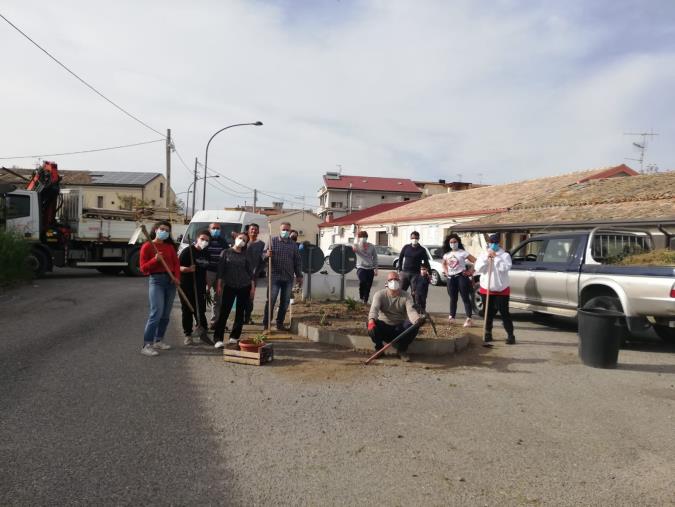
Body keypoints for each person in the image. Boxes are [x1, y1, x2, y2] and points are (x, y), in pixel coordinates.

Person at [139, 221, 181, 356]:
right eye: (162, 229)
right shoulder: (147, 246)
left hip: (170, 282)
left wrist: (176, 278)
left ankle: (159, 340)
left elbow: (176, 264)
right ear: (156, 230)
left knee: (165, 315)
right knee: (156, 313)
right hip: (156, 281)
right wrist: (154, 260)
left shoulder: (170, 247)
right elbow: (143, 268)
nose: (164, 231)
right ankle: (147, 345)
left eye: (167, 230)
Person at [367, 271, 423, 362]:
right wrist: (371, 321)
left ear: (400, 282)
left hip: (399, 330)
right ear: (387, 283)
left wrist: (417, 320)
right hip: (384, 327)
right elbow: (374, 309)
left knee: (413, 326)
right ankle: (379, 348)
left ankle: (402, 350)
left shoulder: (406, 296)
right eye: (391, 279)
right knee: (371, 324)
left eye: (396, 279)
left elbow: (411, 311)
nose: (394, 281)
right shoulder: (379, 295)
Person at [214, 233, 255, 348]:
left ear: (246, 243)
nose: (241, 241)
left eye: (244, 240)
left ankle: (234, 337)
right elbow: (220, 271)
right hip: (229, 286)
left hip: (244, 286)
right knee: (224, 312)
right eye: (240, 238)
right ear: (235, 239)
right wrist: (219, 285)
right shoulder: (226, 252)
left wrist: (252, 288)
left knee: (240, 313)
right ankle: (218, 338)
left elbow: (250, 273)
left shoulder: (246, 255)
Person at [474, 233, 516, 344]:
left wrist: (496, 258)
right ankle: (488, 333)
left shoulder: (505, 255)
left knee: (504, 312)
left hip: (502, 289)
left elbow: (505, 268)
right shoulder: (483, 254)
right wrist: (487, 259)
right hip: (486, 288)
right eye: (491, 242)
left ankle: (510, 335)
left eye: (495, 243)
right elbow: (478, 269)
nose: (493, 244)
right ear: (489, 243)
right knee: (488, 312)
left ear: (499, 243)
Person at [262, 222, 303, 331]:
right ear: (280, 230)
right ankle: (267, 324)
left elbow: (297, 261)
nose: (285, 231)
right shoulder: (272, 241)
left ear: (290, 231)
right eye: (283, 229)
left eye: (287, 230)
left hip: (288, 278)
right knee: (271, 301)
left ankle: (279, 323)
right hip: (274, 277)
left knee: (285, 302)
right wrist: (267, 255)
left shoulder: (293, 245)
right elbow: (262, 257)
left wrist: (299, 275)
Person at [178, 229, 212, 346]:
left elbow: (205, 270)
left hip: (200, 286)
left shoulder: (206, 253)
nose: (204, 242)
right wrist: (188, 269)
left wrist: (208, 286)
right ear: (197, 239)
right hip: (186, 285)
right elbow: (177, 268)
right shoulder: (188, 251)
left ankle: (203, 333)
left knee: (200, 310)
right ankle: (188, 335)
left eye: (207, 240)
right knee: (187, 310)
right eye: (202, 239)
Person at [442, 233, 477, 327]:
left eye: (455, 242)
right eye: (451, 242)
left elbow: (475, 261)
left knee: (465, 298)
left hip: (461, 277)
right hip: (451, 278)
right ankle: (452, 317)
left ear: (458, 242)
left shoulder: (463, 252)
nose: (453, 243)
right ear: (448, 244)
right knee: (453, 299)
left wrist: (470, 271)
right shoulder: (447, 254)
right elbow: (444, 264)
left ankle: (469, 319)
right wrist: (446, 272)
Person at [205, 222, 229, 330]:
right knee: (203, 297)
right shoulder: (205, 240)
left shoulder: (223, 242)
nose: (216, 230)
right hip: (207, 272)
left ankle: (215, 321)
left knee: (218, 298)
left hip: (220, 273)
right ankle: (199, 322)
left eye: (218, 228)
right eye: (213, 228)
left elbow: (227, 256)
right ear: (209, 229)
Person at [244, 223, 266, 325]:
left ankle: (247, 317)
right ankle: (240, 318)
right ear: (248, 230)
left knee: (250, 297)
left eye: (255, 229)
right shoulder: (243, 242)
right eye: (252, 229)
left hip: (253, 276)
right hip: (240, 274)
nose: (253, 231)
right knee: (240, 297)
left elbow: (262, 259)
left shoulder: (261, 244)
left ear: (258, 232)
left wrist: (266, 256)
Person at [352, 231, 378, 304]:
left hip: (370, 268)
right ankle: (361, 296)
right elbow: (353, 249)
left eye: (364, 237)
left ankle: (365, 300)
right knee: (362, 282)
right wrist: (355, 241)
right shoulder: (356, 246)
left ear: (367, 238)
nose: (363, 238)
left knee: (368, 285)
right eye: (361, 237)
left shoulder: (371, 246)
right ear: (359, 238)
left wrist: (376, 269)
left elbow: (375, 257)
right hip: (361, 267)